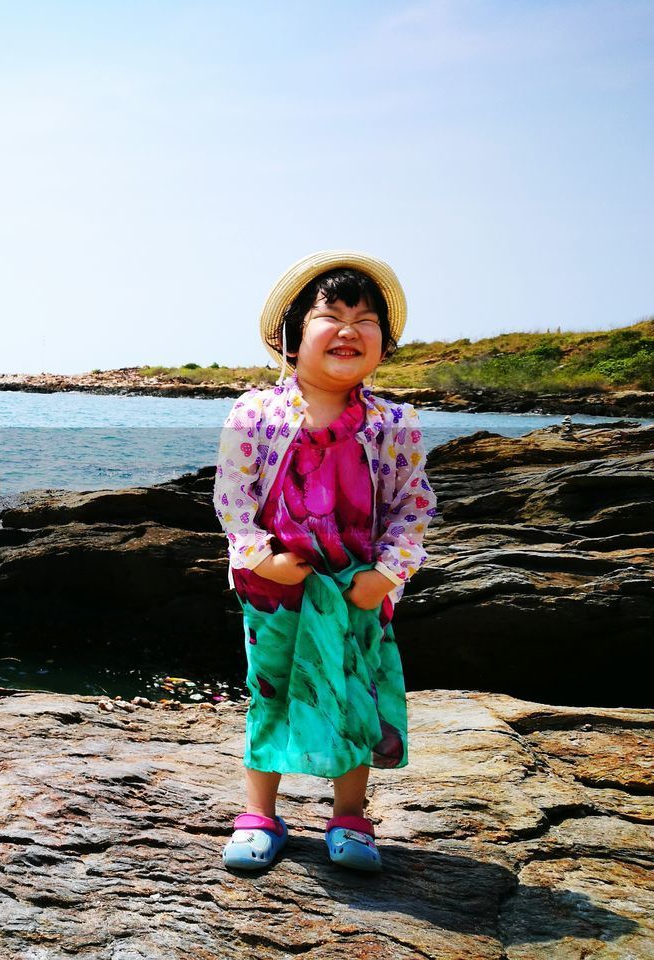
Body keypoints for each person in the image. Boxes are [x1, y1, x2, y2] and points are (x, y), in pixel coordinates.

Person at [213, 250, 437, 873]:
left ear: (383, 346)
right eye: (330, 316)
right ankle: (259, 811)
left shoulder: (395, 423)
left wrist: (389, 574)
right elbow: (232, 497)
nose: (348, 329)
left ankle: (351, 815)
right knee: (271, 688)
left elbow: (412, 506)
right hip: (276, 587)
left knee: (356, 694)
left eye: (365, 320)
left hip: (357, 588)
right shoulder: (255, 414)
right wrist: (261, 558)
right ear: (290, 337)